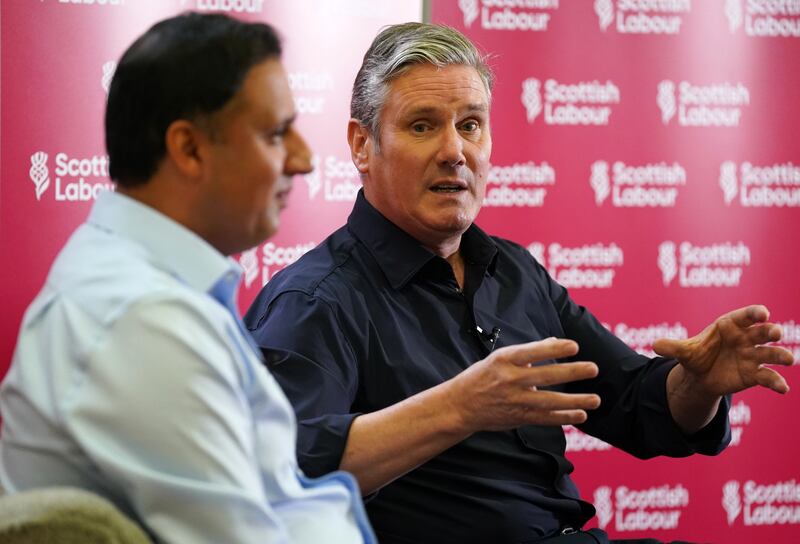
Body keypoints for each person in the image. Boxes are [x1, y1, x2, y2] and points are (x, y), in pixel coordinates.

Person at [243, 22, 795, 544]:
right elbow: (285, 474)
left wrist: (697, 385)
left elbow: (632, 404)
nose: (454, 151)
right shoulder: (316, 300)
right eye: (422, 125)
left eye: (470, 124)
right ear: (362, 145)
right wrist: (461, 407)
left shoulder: (513, 271)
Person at [0, 13, 376, 544]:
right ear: (190, 149)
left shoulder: (149, 288)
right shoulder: (142, 320)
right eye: (274, 134)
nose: (305, 158)